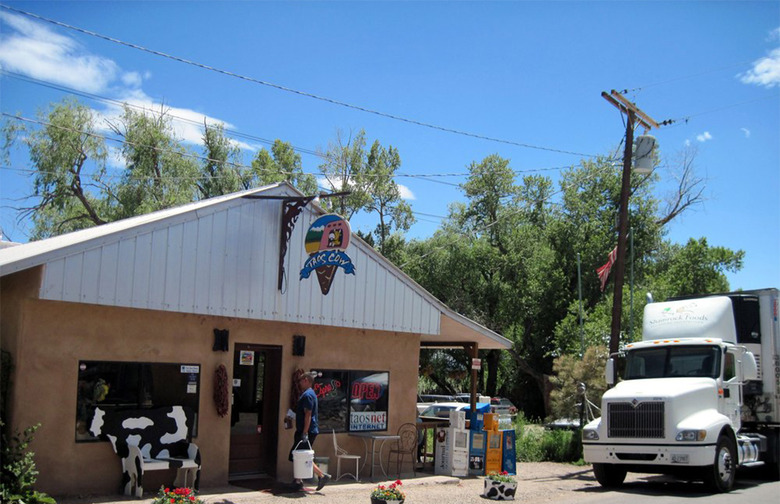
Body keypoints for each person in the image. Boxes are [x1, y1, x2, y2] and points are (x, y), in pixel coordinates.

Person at [289, 370, 330, 491]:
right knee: (300, 455)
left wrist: (304, 433)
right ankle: (299, 480)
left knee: (300, 455)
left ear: (306, 380)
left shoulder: (308, 395)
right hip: (306, 430)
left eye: (300, 381)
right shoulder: (309, 394)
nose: (299, 383)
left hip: (307, 431)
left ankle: (321, 476)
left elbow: (308, 414)